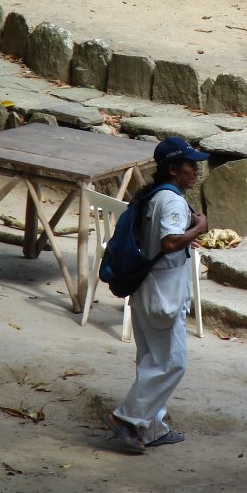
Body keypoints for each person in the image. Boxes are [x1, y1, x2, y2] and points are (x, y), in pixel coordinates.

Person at [102, 136, 209, 453]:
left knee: (151, 360)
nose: (196, 171)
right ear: (174, 169)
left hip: (145, 290)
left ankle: (152, 428)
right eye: (191, 165)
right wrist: (198, 228)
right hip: (163, 293)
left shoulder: (153, 195)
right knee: (172, 363)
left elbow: (158, 239)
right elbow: (169, 242)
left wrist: (185, 238)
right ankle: (126, 418)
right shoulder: (174, 201)